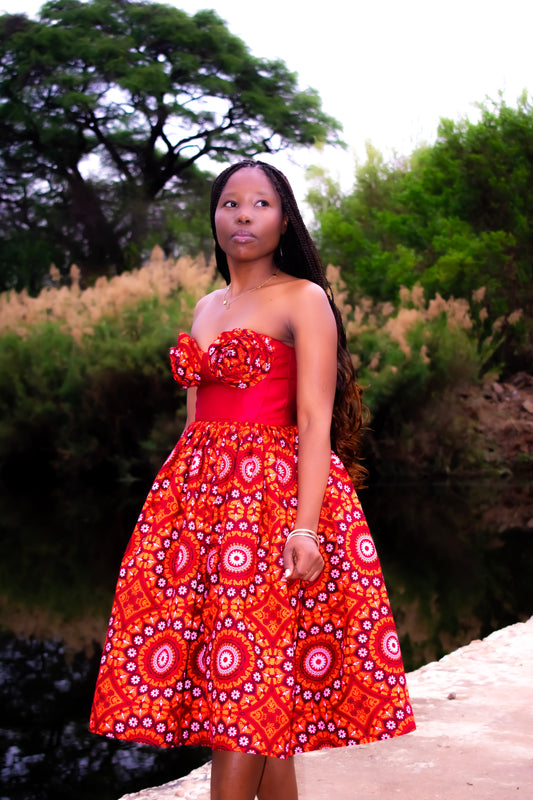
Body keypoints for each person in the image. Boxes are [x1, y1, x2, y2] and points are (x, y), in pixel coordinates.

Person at [89, 160, 416, 799]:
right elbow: (195, 420)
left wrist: (306, 527)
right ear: (214, 219)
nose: (243, 215)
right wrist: (178, 517)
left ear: (284, 219)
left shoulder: (303, 297)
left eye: (260, 204)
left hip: (269, 510)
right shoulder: (208, 305)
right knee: (244, 696)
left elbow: (316, 420)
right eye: (230, 203)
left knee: (244, 698)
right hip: (200, 507)